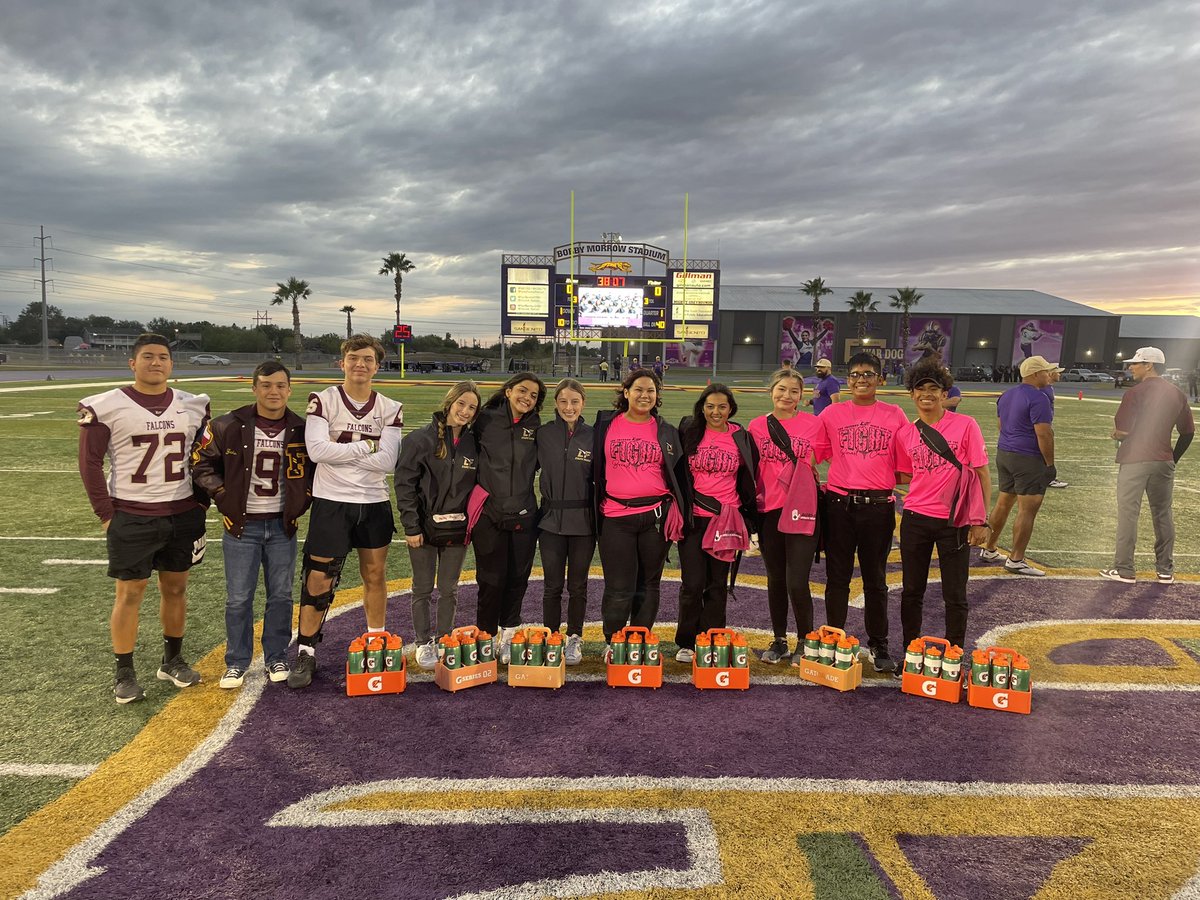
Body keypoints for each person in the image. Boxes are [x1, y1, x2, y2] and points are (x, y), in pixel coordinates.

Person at [77, 333, 211, 704]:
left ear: (171, 364)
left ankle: (172, 660)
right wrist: (105, 513)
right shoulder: (106, 405)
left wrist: (201, 503)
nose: (156, 363)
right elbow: (89, 463)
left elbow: (204, 458)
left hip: (182, 511)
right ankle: (124, 670)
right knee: (130, 592)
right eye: (148, 356)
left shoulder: (193, 404)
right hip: (131, 512)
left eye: (163, 357)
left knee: (176, 588)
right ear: (132, 363)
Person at [290, 335, 403, 688]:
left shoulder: (390, 406)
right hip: (331, 502)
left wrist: (347, 446)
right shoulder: (323, 400)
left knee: (375, 575)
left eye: (368, 359)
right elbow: (317, 451)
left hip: (373, 503)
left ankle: (375, 640)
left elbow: (388, 461)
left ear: (377, 366)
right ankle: (306, 651)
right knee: (318, 578)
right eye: (354, 358)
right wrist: (367, 445)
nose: (360, 365)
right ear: (342, 362)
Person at [193, 361, 312, 689]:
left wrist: (303, 500)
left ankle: (276, 656)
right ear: (254, 388)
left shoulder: (302, 429)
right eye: (266, 385)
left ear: (289, 389)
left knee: (281, 596)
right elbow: (201, 463)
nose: (273, 392)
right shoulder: (227, 425)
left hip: (281, 525)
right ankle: (236, 660)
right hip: (241, 526)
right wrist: (221, 494)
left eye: (279, 386)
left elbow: (316, 472)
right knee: (239, 598)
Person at [818, 351, 908, 674]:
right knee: (837, 578)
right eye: (855, 374)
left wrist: (875, 479)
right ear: (847, 378)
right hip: (840, 505)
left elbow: (905, 466)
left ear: (880, 379)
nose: (861, 379)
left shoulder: (895, 414)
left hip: (878, 507)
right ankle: (833, 639)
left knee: (876, 580)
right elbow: (816, 453)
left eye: (868, 374)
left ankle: (879, 643)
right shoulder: (831, 415)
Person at [895, 359, 991, 658]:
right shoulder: (905, 434)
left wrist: (981, 520)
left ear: (944, 393)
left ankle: (954, 653)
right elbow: (906, 475)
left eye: (933, 389)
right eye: (920, 389)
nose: (927, 394)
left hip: (955, 521)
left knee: (955, 593)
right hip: (914, 517)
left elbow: (982, 473)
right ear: (911, 394)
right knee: (912, 591)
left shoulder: (965, 425)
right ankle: (911, 650)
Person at [593, 368, 686, 648]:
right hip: (616, 516)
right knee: (619, 587)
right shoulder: (605, 424)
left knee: (649, 584)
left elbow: (678, 473)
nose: (644, 395)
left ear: (657, 396)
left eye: (651, 391)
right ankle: (613, 640)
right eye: (639, 390)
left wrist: (675, 506)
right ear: (626, 392)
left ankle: (638, 639)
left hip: (654, 518)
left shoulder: (667, 430)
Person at [394, 381, 480, 668]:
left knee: (449, 588)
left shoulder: (474, 442)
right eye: (461, 404)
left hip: (457, 528)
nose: (465, 411)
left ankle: (444, 638)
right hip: (424, 528)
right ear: (449, 402)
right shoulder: (420, 440)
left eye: (471, 407)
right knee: (422, 588)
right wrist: (411, 526)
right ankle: (422, 642)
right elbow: (404, 485)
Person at [749, 369, 831, 663]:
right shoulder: (757, 426)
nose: (787, 396)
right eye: (781, 389)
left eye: (794, 391)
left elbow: (827, 458)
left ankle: (805, 641)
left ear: (801, 396)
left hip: (802, 509)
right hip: (768, 509)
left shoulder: (814, 424)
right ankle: (779, 639)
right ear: (771, 391)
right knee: (776, 579)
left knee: (797, 580)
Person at [673, 384, 759, 661]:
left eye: (722, 406)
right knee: (692, 584)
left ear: (731, 408)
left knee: (717, 583)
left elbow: (750, 476)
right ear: (701, 407)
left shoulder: (741, 437)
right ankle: (687, 641)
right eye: (710, 406)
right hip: (694, 520)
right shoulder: (689, 431)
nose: (716, 412)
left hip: (726, 521)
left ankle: (712, 637)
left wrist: (747, 517)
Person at [1100, 347, 1194, 584]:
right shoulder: (1177, 393)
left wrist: (1116, 435)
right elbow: (1188, 432)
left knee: (1128, 514)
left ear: (1149, 365)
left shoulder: (1135, 393)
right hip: (1163, 460)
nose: (1130, 367)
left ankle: (1124, 569)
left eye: (1135, 363)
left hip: (1135, 460)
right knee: (1163, 514)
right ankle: (1165, 569)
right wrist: (1172, 457)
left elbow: (1123, 430)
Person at [473, 372, 546, 662]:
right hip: (489, 514)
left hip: (525, 513)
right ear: (508, 391)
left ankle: (508, 633)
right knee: (490, 579)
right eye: (522, 391)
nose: (527, 398)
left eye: (533, 396)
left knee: (518, 576)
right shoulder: (484, 420)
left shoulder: (536, 425)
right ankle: (486, 635)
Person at [979, 355, 1059, 577]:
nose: (1048, 375)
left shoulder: (1007, 394)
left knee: (1004, 502)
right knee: (1027, 509)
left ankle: (989, 548)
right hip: (1028, 457)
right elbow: (1044, 433)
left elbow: (1001, 425)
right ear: (1035, 374)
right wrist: (1050, 464)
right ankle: (1016, 559)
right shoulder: (1039, 397)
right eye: (1045, 371)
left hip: (1005, 453)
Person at [536, 379, 595, 664]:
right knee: (552, 585)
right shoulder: (543, 433)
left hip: (584, 524)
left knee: (578, 585)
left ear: (583, 403)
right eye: (563, 401)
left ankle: (574, 636)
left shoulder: (594, 436)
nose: (568, 407)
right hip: (549, 522)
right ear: (555, 404)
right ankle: (551, 634)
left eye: (574, 401)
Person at [1041, 367, 1068, 488]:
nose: (1060, 375)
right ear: (1051, 374)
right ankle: (1047, 478)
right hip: (1042, 425)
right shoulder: (1043, 389)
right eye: (1058, 372)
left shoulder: (1048, 388)